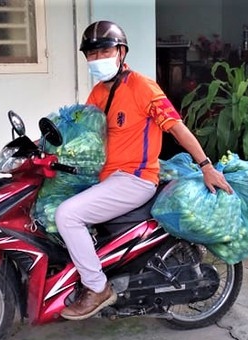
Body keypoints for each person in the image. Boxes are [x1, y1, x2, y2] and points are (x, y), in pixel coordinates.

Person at [55, 21, 233, 321]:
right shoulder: (99, 92)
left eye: (105, 52)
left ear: (121, 52)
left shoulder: (142, 87)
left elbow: (177, 129)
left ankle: (97, 288)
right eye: (92, 54)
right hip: (107, 178)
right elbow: (82, 131)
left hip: (134, 180)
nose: (98, 60)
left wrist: (206, 166)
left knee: (67, 215)